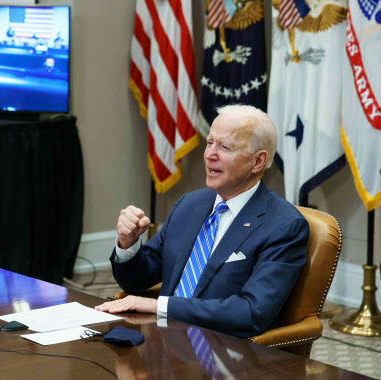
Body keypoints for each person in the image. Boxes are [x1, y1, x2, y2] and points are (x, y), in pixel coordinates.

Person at [95, 104, 309, 338]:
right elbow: (137, 281)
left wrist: (162, 307)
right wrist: (128, 244)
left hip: (222, 352)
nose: (209, 155)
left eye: (224, 147)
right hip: (161, 340)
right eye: (209, 143)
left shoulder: (284, 226)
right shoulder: (190, 205)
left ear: (257, 161)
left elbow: (251, 313)